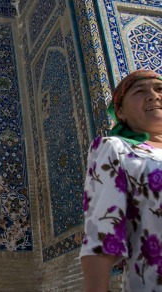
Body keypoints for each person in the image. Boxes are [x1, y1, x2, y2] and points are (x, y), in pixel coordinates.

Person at [80, 69, 162, 291]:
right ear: (120, 111)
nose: (153, 95)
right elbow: (102, 230)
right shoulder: (116, 149)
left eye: (159, 89)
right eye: (140, 91)